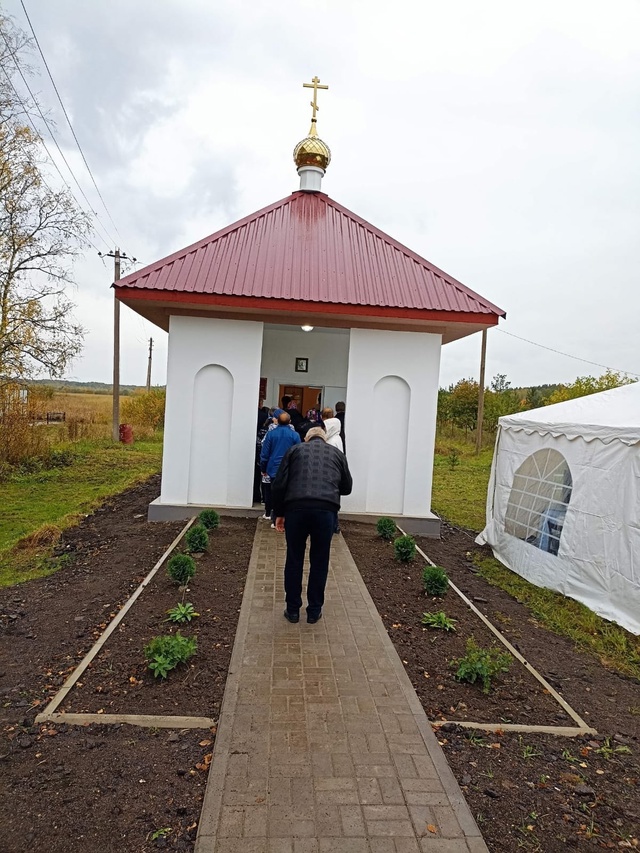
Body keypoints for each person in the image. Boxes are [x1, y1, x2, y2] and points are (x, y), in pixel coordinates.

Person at [272, 426, 353, 624]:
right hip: (325, 511)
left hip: (296, 509)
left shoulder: (295, 450)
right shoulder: (337, 454)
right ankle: (314, 611)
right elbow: (347, 487)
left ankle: (292, 610)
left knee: (294, 559)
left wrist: (279, 513)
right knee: (319, 560)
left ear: (306, 439)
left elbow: (279, 484)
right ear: (324, 440)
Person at [260, 412, 301, 526]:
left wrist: (263, 468)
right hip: (289, 468)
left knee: (274, 494)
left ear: (277, 420)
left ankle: (275, 519)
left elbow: (265, 453)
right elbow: (299, 453)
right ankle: (287, 518)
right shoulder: (295, 435)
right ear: (290, 421)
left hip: (274, 468)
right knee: (288, 494)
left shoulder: (271, 434)